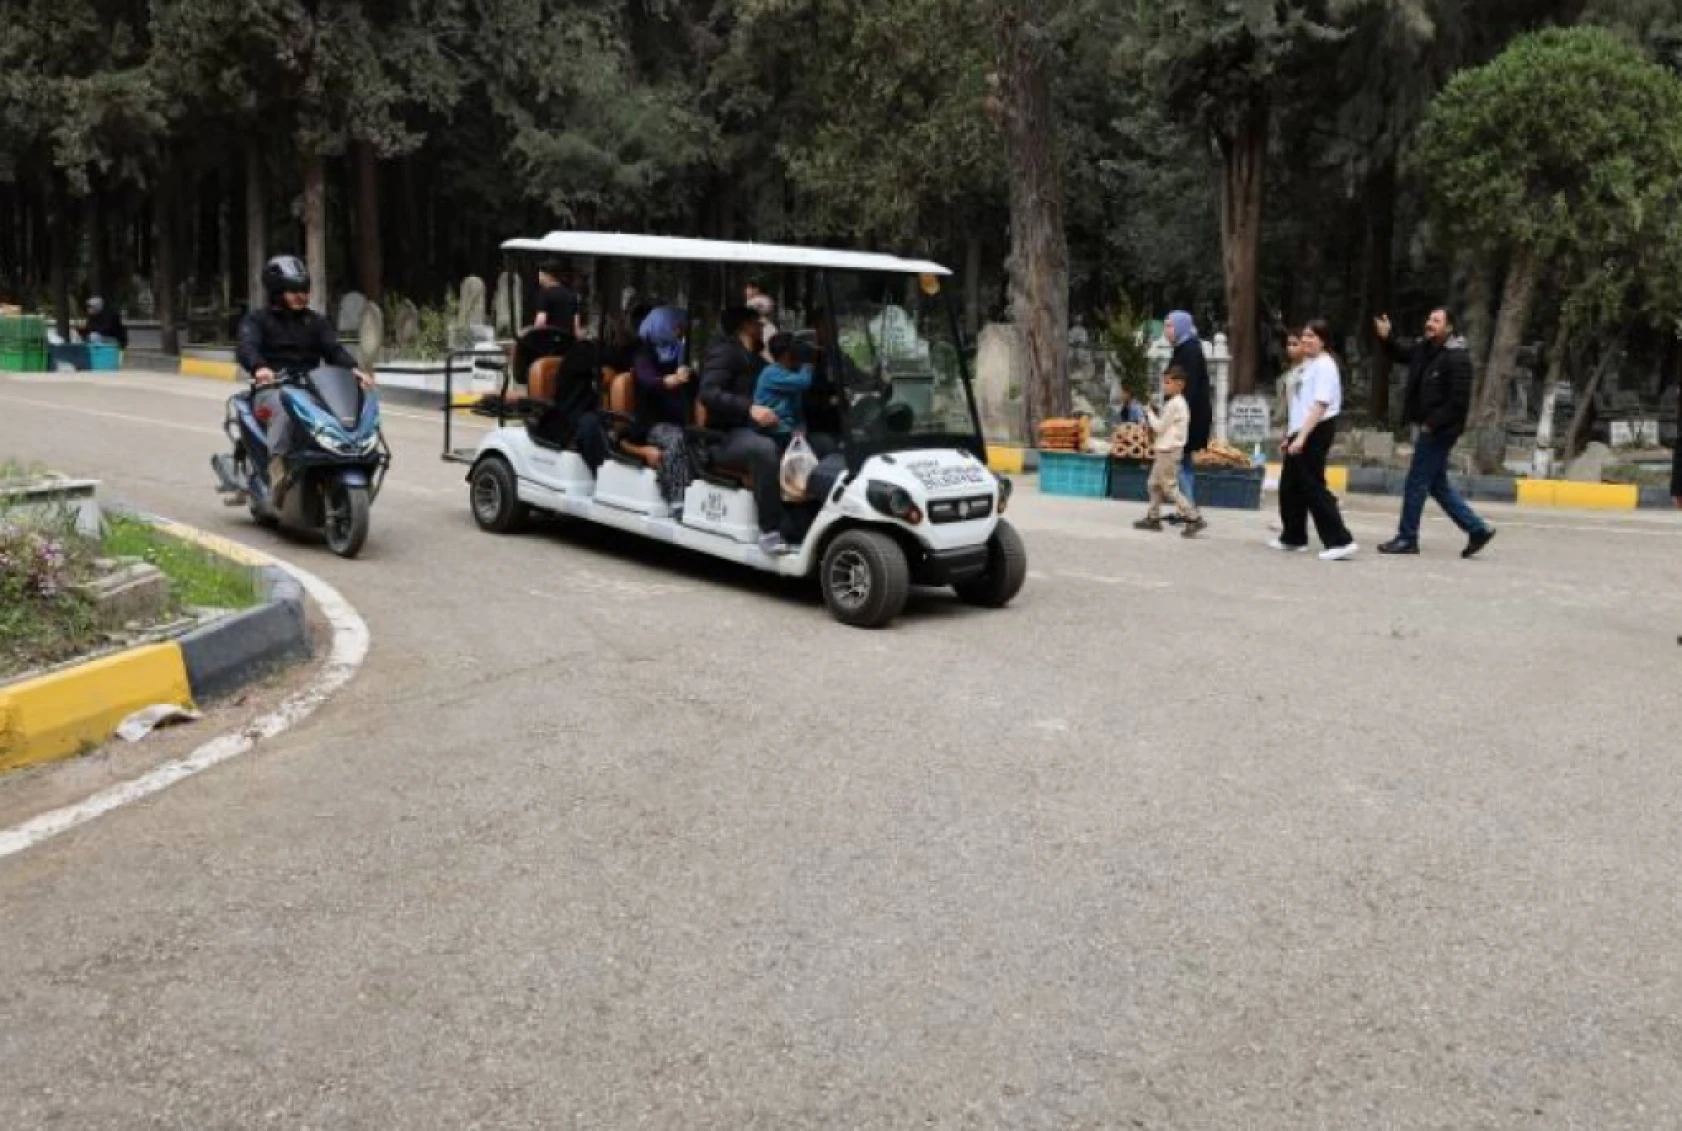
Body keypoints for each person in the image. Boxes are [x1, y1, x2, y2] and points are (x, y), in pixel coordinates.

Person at [235, 256, 371, 489]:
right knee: (284, 411)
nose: (301, 296)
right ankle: (276, 469)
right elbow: (246, 347)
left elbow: (334, 350)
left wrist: (354, 370)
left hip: (310, 389)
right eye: (293, 290)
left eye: (304, 290)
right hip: (272, 389)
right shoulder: (257, 320)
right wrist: (260, 368)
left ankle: (353, 456)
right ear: (277, 292)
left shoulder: (316, 322)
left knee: (348, 410)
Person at [1374, 309, 1497, 559]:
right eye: (1429, 319)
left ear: (1449, 328)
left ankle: (1407, 538)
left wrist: (1431, 424)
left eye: (1436, 321)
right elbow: (1401, 353)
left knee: (1416, 482)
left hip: (1439, 430)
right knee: (1437, 485)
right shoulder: (1425, 348)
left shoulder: (1457, 358)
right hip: (1425, 426)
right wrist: (1387, 337)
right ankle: (1476, 529)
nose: (1429, 324)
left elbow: (1458, 403)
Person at [700, 305, 790, 555]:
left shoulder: (759, 362)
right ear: (746, 326)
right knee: (764, 449)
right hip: (725, 436)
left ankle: (802, 520)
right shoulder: (725, 353)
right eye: (759, 324)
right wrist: (749, 408)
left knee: (817, 443)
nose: (763, 329)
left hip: (756, 430)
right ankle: (770, 530)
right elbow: (708, 393)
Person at [1274, 319, 1357, 561]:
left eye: (1313, 336)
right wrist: (1290, 435)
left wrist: (1302, 437)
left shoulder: (1325, 366)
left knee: (1313, 486)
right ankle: (1293, 536)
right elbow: (1300, 404)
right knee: (1290, 487)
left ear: (1324, 340)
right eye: (1305, 336)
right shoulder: (1308, 365)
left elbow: (1320, 405)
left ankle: (1340, 540)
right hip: (1300, 430)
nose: (1307, 340)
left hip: (1315, 429)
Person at [632, 306, 698, 502]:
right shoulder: (644, 353)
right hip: (652, 420)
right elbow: (647, 380)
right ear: (663, 327)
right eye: (676, 327)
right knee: (677, 439)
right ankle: (677, 499)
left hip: (680, 416)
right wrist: (669, 381)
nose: (680, 332)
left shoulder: (678, 350)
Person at [1134, 365, 1206, 537]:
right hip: (1166, 449)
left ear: (1180, 384)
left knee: (1169, 487)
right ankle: (1153, 517)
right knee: (1154, 484)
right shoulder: (1175, 403)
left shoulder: (1176, 404)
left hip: (1168, 450)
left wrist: (1149, 412)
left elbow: (1159, 427)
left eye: (1168, 383)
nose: (1165, 386)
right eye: (1164, 382)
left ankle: (1193, 516)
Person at [1164, 311, 1213, 515]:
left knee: (1179, 463)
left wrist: (1177, 416)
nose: (1166, 330)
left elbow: (1188, 387)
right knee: (1183, 462)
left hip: (1188, 417)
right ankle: (1185, 508)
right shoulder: (1185, 348)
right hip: (1188, 415)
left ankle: (1190, 510)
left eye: (1170, 326)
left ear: (1181, 327)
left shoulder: (1190, 350)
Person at [754, 333, 815, 441]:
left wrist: (800, 428)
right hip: (775, 432)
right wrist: (807, 362)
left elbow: (797, 410)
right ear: (786, 354)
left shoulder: (790, 372)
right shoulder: (771, 373)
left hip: (790, 430)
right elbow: (804, 382)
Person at [533, 262, 585, 339]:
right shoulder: (572, 296)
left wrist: (534, 339)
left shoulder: (545, 294)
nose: (539, 278)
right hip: (567, 342)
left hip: (549, 342)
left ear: (548, 275)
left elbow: (541, 322)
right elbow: (576, 325)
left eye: (540, 275)